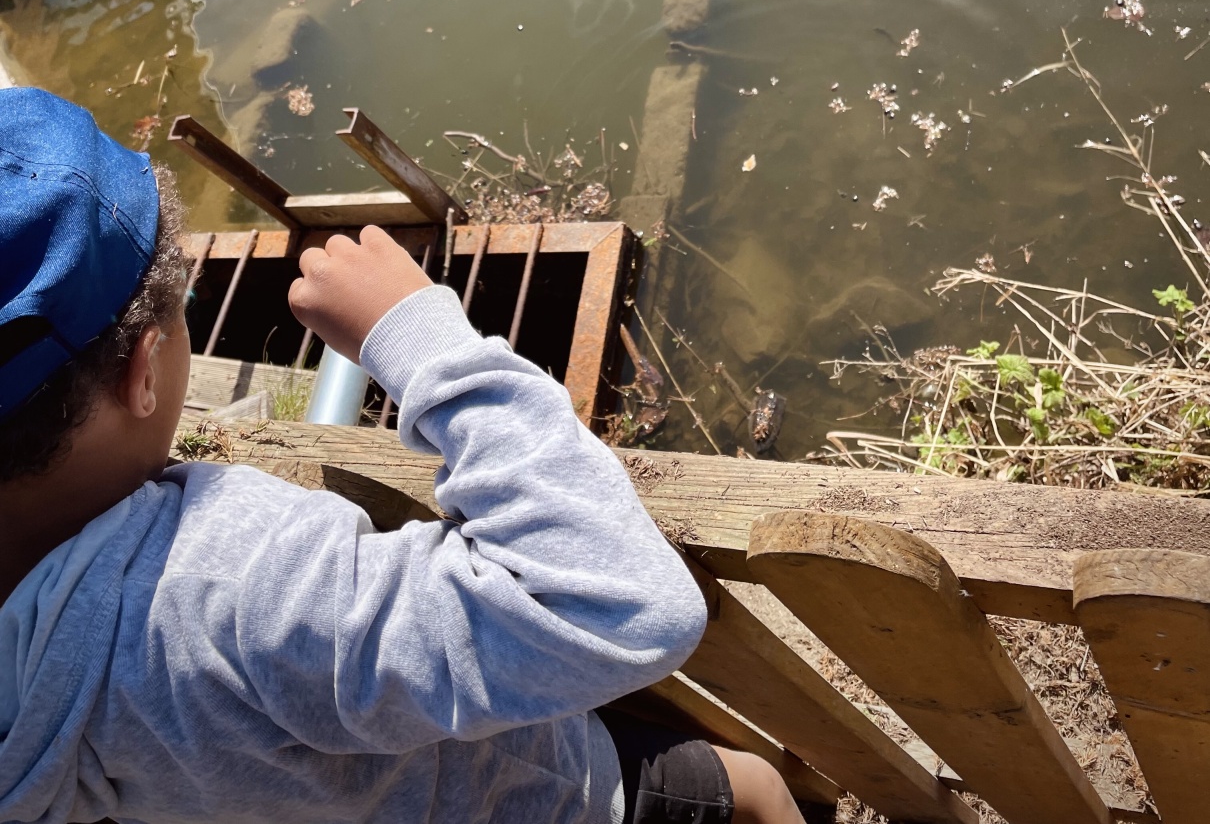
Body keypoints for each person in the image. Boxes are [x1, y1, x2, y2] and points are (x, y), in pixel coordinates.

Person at [0, 89, 807, 824]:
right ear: (144, 370)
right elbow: (628, 603)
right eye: (185, 304)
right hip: (534, 793)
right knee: (760, 790)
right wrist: (417, 333)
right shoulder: (233, 594)